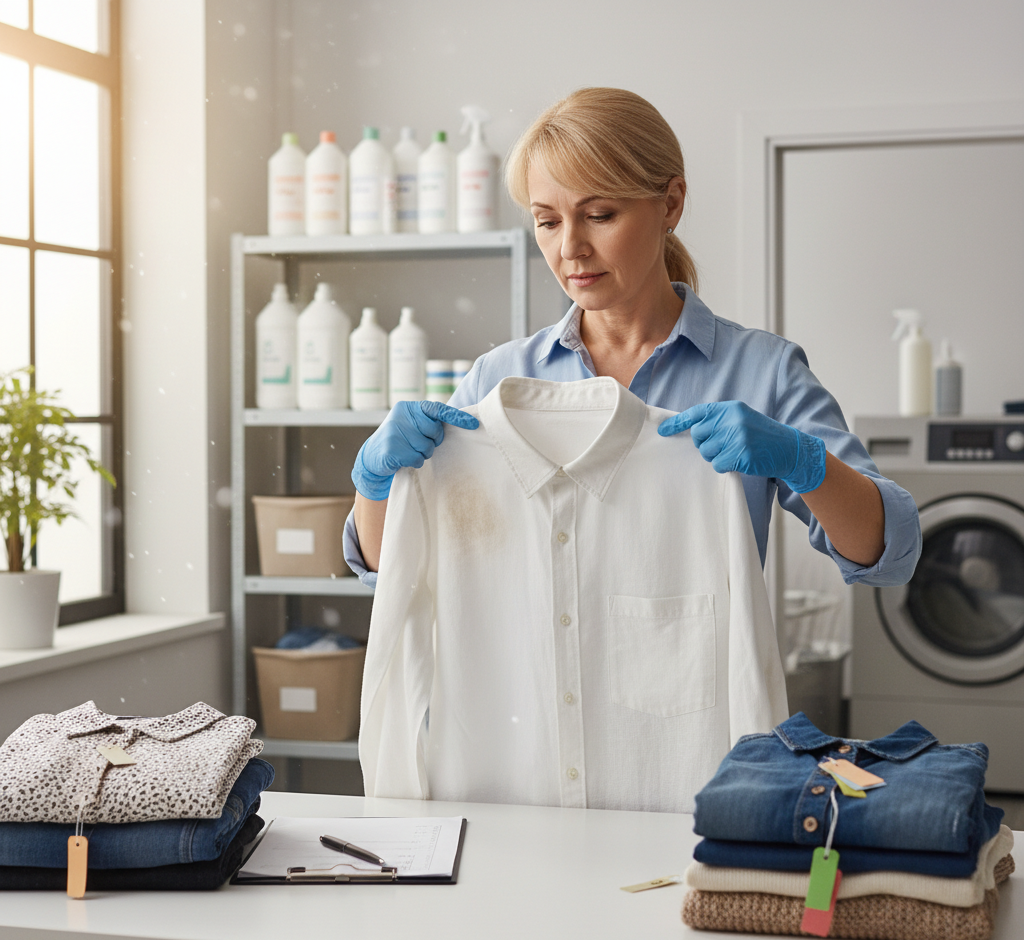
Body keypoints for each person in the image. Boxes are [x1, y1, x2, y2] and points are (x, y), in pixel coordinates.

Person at [345, 87, 921, 591]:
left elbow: (890, 554)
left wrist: (803, 461)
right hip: (531, 683)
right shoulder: (499, 379)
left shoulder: (761, 372)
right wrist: (375, 484)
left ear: (670, 203)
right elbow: (393, 568)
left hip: (697, 684)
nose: (570, 248)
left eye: (599, 215)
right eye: (547, 221)